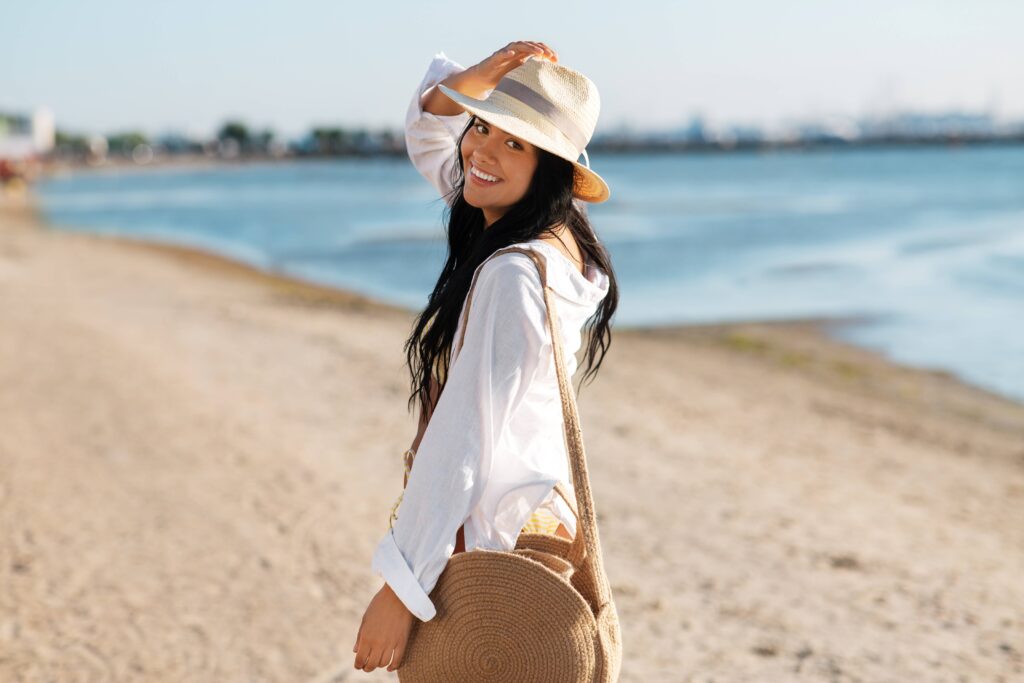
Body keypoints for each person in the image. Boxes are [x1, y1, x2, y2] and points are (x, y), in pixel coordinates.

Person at [352, 40, 619, 674]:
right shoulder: (559, 246)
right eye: (481, 127)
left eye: (514, 143)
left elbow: (462, 443)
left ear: (550, 166)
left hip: (490, 537)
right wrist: (474, 81)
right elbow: (432, 141)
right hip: (538, 521)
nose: (481, 151)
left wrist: (400, 588)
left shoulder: (512, 274)